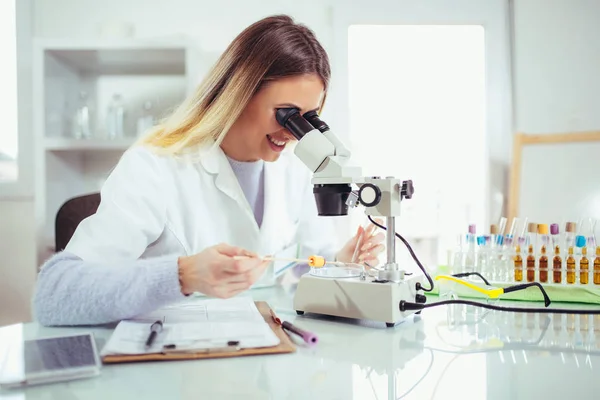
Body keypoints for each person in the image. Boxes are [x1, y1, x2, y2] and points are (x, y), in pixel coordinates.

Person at [33, 15, 385, 327]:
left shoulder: (294, 167)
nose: (294, 133)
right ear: (238, 94)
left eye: (308, 118)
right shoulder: (155, 166)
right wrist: (182, 275)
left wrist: (340, 263)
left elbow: (299, 267)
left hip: (265, 358)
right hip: (172, 366)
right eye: (286, 114)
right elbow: (53, 295)